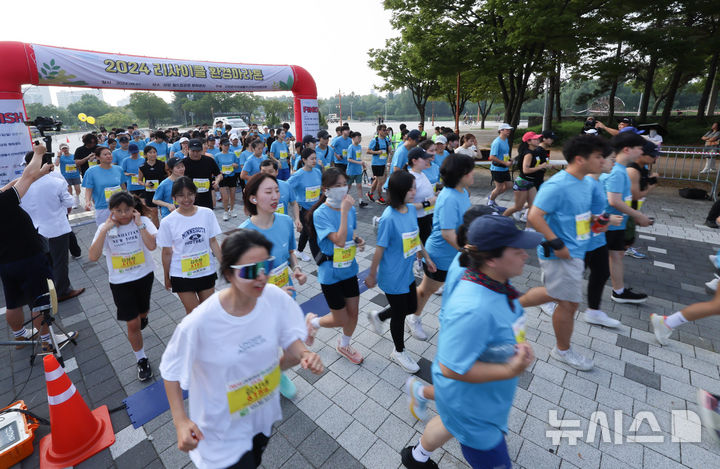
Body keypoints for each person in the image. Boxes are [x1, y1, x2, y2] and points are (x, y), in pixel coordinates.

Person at [160, 229, 324, 469]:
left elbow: (289, 336)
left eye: (265, 267)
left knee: (255, 458)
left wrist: (304, 353)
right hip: (221, 429)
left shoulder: (274, 297)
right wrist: (180, 421)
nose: (260, 277)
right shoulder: (200, 323)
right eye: (249, 271)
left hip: (261, 412)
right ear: (229, 273)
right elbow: (170, 370)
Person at [402, 215, 540, 469]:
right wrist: (510, 369)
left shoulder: (497, 283)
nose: (526, 255)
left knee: (448, 422)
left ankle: (416, 456)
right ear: (491, 259)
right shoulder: (473, 308)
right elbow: (450, 368)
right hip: (475, 413)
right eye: (517, 250)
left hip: (479, 401)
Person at [527, 134, 612, 371]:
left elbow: (595, 216)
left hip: (580, 249)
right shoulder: (557, 185)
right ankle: (562, 350)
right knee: (569, 304)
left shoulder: (590, 183)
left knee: (555, 294)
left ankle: (509, 304)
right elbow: (534, 216)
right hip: (561, 254)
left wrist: (602, 221)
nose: (602, 160)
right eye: (598, 156)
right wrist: (557, 244)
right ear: (579, 159)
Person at [3, 144, 78, 352]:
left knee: (13, 301)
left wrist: (38, 172)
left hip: (5, 263)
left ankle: (20, 336)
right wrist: (38, 154)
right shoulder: (5, 201)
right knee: (39, 299)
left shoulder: (4, 197)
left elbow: (16, 183)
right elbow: (27, 176)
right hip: (28, 257)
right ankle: (49, 339)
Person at [365, 171, 436, 372]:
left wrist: (427, 257)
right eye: (411, 188)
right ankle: (399, 350)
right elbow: (379, 248)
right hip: (391, 274)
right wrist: (371, 274)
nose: (415, 191)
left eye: (414, 187)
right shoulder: (388, 217)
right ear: (399, 191)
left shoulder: (411, 210)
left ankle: (378, 316)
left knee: (411, 306)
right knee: (399, 314)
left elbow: (415, 237)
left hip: (406, 272)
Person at [88, 192, 157, 381]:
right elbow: (93, 257)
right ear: (111, 211)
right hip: (120, 282)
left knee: (143, 313)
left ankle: (143, 317)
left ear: (133, 208)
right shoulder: (105, 227)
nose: (124, 214)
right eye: (118, 210)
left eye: (127, 210)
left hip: (144, 276)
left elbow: (152, 246)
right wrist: (104, 230)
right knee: (132, 322)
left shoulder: (142, 221)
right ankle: (141, 359)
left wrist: (140, 224)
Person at [305, 168, 366, 364]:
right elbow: (338, 241)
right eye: (337, 186)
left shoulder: (349, 208)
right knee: (340, 318)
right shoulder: (320, 214)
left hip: (349, 268)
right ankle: (313, 322)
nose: (343, 189)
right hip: (330, 272)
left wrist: (358, 240)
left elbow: (349, 235)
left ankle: (344, 344)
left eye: (344, 185)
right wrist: (345, 211)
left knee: (353, 313)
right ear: (326, 190)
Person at [412, 155, 475, 340]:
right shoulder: (448, 197)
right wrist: (466, 252)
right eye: (470, 171)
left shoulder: (462, 192)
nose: (473, 174)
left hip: (456, 252)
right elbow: (447, 234)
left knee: (454, 288)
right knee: (426, 290)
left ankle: (447, 320)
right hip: (440, 254)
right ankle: (413, 317)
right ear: (461, 174)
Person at [20, 151, 85, 303]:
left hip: (34, 228)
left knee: (45, 260)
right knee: (60, 261)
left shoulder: (22, 183)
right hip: (56, 226)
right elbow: (69, 203)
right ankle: (62, 291)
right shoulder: (56, 181)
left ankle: (47, 289)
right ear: (48, 164)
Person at [157, 177, 222, 315]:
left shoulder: (207, 213)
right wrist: (166, 276)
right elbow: (167, 252)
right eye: (181, 195)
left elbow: (213, 242)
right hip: (181, 274)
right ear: (174, 197)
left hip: (206, 270)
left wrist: (225, 265)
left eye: (190, 194)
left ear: (195, 194)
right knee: (194, 313)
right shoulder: (168, 222)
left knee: (208, 312)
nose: (186, 199)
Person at [601, 132, 653, 304]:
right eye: (639, 148)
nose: (641, 152)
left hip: (615, 224)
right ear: (627, 149)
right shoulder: (617, 172)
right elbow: (613, 200)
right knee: (594, 262)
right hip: (607, 224)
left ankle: (619, 291)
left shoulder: (620, 170)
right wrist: (638, 215)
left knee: (615, 256)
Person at [624, 140, 660, 259]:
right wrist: (651, 186)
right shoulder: (632, 170)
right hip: (624, 212)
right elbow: (636, 195)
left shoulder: (643, 169)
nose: (655, 158)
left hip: (631, 210)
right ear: (641, 154)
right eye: (652, 155)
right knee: (619, 248)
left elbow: (641, 188)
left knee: (621, 247)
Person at [288, 148, 323, 262]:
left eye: (315, 158)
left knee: (306, 232)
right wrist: (294, 202)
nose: (314, 161)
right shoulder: (298, 175)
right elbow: (287, 188)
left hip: (316, 209)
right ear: (303, 160)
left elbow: (321, 188)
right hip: (304, 210)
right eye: (311, 159)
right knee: (312, 234)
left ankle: (299, 251)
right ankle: (319, 259)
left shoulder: (317, 172)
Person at [503, 132, 547, 220]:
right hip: (523, 182)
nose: (538, 140)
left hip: (531, 182)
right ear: (528, 141)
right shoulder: (529, 154)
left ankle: (529, 229)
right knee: (518, 207)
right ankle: (500, 220)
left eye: (538, 138)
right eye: (535, 139)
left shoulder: (533, 152)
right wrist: (540, 167)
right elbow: (525, 170)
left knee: (533, 206)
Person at [82, 146, 125, 226]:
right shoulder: (91, 171)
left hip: (119, 206)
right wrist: (88, 202)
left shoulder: (119, 169)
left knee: (121, 233)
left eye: (110, 154)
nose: (109, 156)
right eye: (105, 154)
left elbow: (123, 187)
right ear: (98, 157)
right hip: (103, 208)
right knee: (105, 234)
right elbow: (88, 189)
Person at [407, 147, 438, 245]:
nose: (427, 160)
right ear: (414, 161)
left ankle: (423, 259)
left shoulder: (422, 174)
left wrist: (435, 195)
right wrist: (428, 203)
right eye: (424, 158)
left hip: (427, 215)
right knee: (421, 245)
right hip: (417, 219)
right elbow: (406, 206)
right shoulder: (409, 178)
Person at [181, 138, 222, 210]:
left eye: (198, 151)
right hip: (189, 198)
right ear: (188, 149)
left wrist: (217, 181)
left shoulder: (209, 161)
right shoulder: (183, 163)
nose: (195, 154)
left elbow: (219, 174)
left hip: (206, 197)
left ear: (202, 150)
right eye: (193, 151)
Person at [259, 160, 299, 226]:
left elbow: (294, 203)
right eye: (263, 172)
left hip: (283, 224)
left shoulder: (286, 185)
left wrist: (297, 218)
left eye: (270, 171)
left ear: (276, 172)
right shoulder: (255, 188)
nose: (267, 175)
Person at [138, 145, 167, 228]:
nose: (152, 154)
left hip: (162, 191)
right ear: (146, 155)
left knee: (164, 211)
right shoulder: (142, 167)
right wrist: (145, 184)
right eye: (150, 152)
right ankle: (157, 230)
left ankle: (166, 228)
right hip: (149, 192)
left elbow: (168, 175)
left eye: (154, 152)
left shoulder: (162, 164)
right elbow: (139, 181)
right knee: (154, 212)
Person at [487, 124, 513, 209]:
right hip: (496, 169)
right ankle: (490, 203)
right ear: (501, 130)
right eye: (507, 129)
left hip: (504, 168)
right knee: (499, 188)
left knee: (509, 185)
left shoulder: (506, 140)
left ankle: (491, 197)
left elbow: (504, 154)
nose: (509, 131)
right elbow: (492, 157)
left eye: (509, 130)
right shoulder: (496, 142)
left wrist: (509, 159)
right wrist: (505, 163)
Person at [215, 138, 239, 221]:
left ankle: (231, 210)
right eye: (225, 145)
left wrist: (235, 165)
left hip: (232, 176)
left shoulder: (233, 154)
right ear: (221, 146)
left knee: (232, 195)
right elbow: (215, 168)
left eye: (228, 145)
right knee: (225, 197)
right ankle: (225, 211)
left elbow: (237, 165)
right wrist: (219, 171)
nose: (227, 147)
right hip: (223, 177)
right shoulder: (217, 155)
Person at [367, 124, 392, 203]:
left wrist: (389, 150)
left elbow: (389, 150)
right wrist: (377, 152)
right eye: (384, 130)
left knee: (379, 180)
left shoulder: (386, 140)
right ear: (379, 131)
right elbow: (368, 151)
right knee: (380, 181)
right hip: (376, 164)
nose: (385, 132)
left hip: (383, 163)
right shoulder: (375, 140)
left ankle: (370, 193)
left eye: (386, 130)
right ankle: (379, 198)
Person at [346, 131, 367, 207]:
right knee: (348, 186)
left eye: (360, 138)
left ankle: (361, 201)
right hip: (351, 171)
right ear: (353, 138)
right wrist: (359, 163)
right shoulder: (351, 147)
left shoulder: (359, 147)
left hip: (358, 170)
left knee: (359, 186)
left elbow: (359, 158)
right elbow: (349, 159)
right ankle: (342, 200)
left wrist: (363, 165)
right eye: (358, 138)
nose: (360, 139)